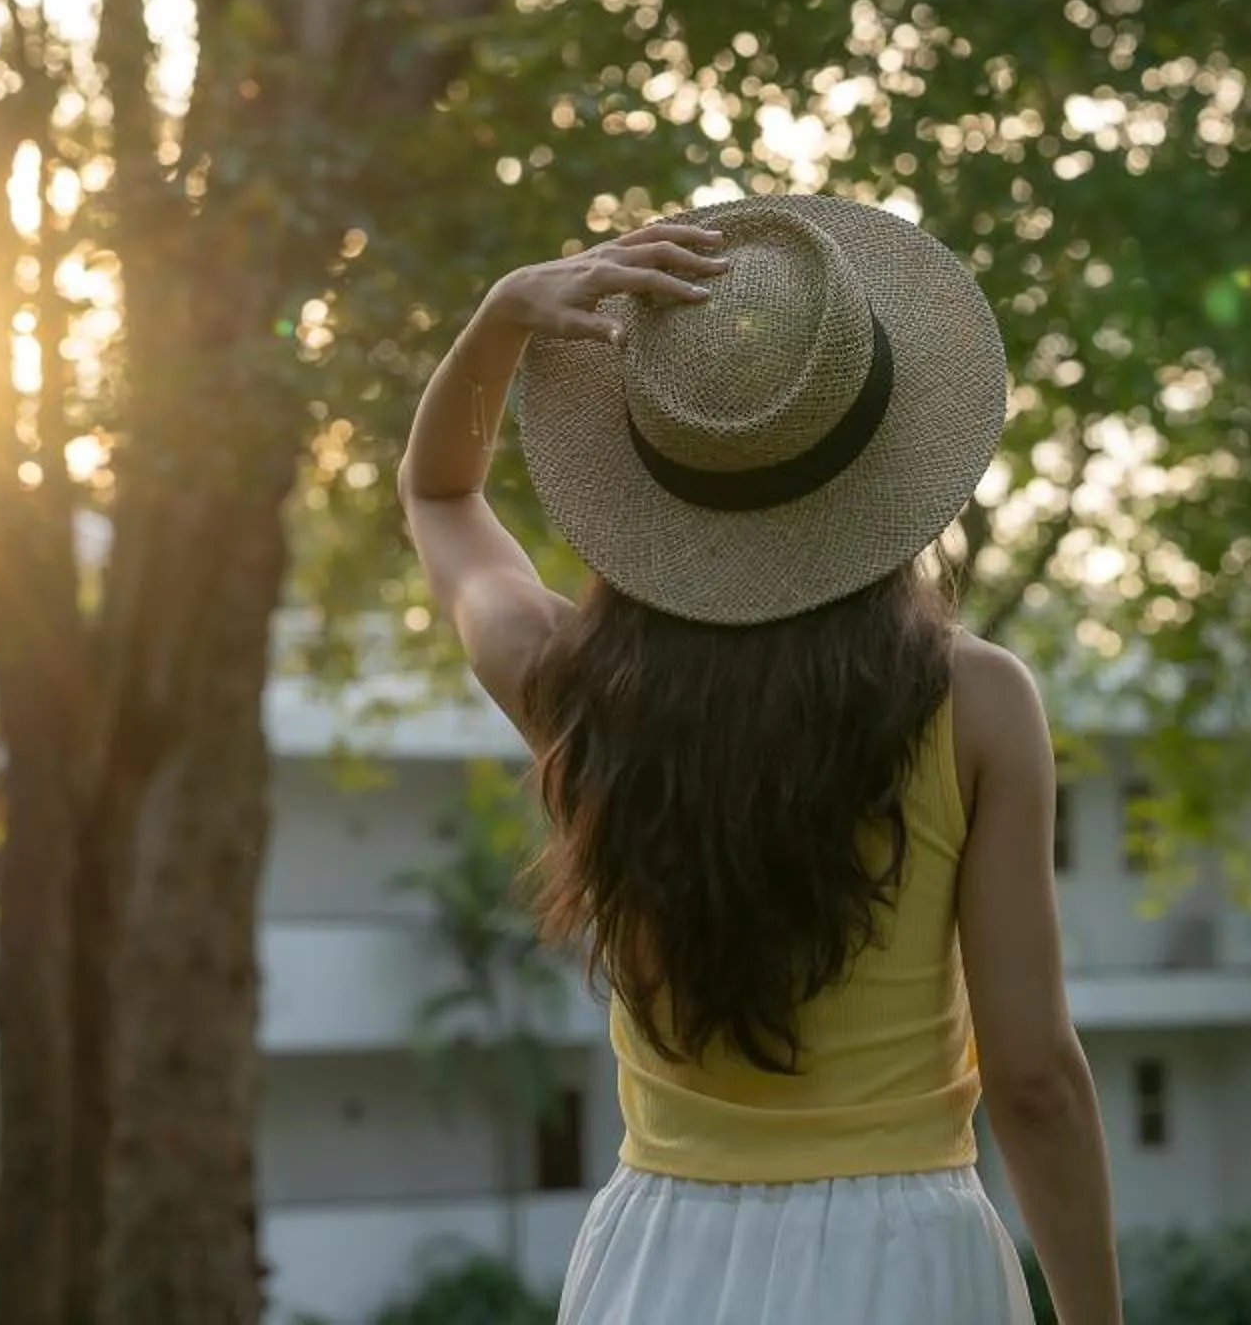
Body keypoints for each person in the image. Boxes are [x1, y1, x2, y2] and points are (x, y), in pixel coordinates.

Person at [400, 194, 1126, 1325]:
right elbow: (1034, 1077)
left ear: (648, 482)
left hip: (659, 1257)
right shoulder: (975, 700)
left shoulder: (571, 684)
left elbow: (441, 492)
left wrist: (501, 320)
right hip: (907, 1257)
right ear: (887, 468)